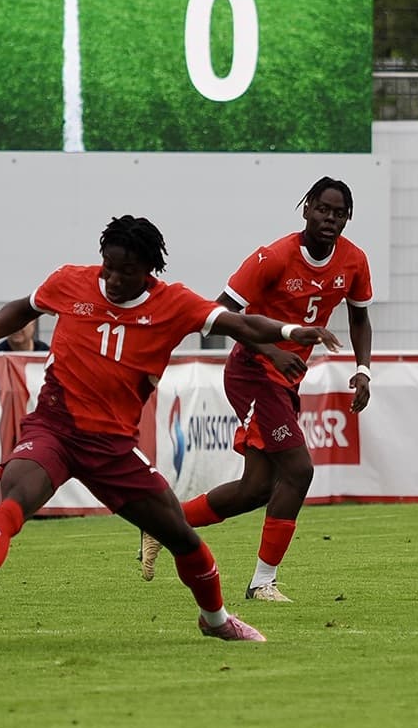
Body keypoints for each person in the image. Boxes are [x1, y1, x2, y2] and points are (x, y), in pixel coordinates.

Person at [0, 214, 342, 642]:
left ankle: (216, 620)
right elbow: (25, 307)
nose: (115, 279)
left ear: (149, 270)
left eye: (128, 271)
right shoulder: (69, 281)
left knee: (182, 538)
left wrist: (292, 330)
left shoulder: (173, 303)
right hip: (53, 430)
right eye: (109, 267)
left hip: (114, 449)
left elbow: (242, 324)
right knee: (13, 502)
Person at [139, 177, 374, 603]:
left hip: (284, 379)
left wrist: (363, 371)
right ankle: (262, 583)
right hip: (252, 372)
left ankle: (162, 524)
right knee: (299, 470)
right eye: (323, 209)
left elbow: (359, 317)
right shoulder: (273, 257)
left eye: (339, 213)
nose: (330, 219)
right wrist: (272, 351)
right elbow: (219, 313)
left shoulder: (354, 261)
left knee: (257, 488)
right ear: (306, 209)